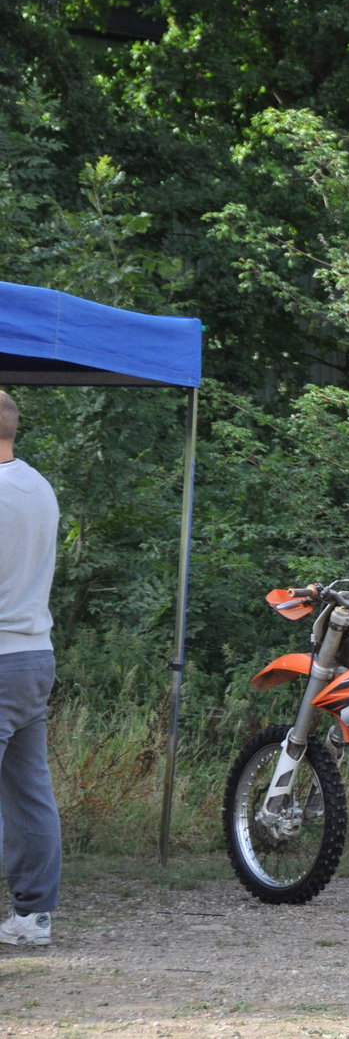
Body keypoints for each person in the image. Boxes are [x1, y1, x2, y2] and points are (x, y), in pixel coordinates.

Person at [0, 390, 62, 947]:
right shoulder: (38, 487)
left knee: (27, 793)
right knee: (29, 793)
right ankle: (34, 916)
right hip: (33, 654)